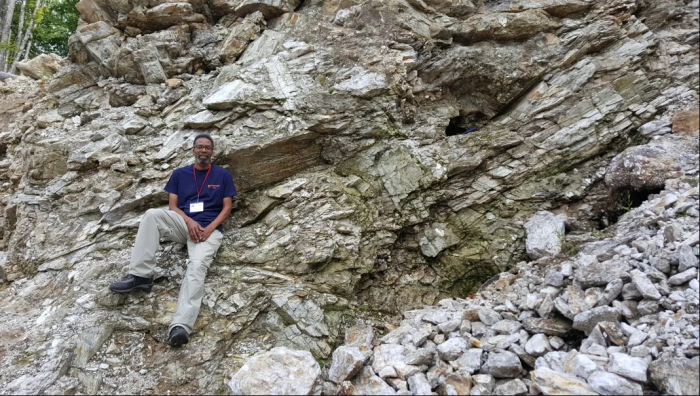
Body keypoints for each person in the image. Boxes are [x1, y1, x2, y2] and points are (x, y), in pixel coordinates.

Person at [109, 133, 237, 347]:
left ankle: (181, 326)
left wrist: (209, 228)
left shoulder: (222, 175)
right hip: (183, 224)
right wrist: (189, 222)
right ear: (193, 150)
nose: (203, 151)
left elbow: (227, 208)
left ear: (212, 152)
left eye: (207, 148)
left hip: (208, 230)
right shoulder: (179, 174)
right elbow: (173, 207)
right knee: (152, 214)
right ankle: (140, 275)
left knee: (197, 266)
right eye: (200, 147)